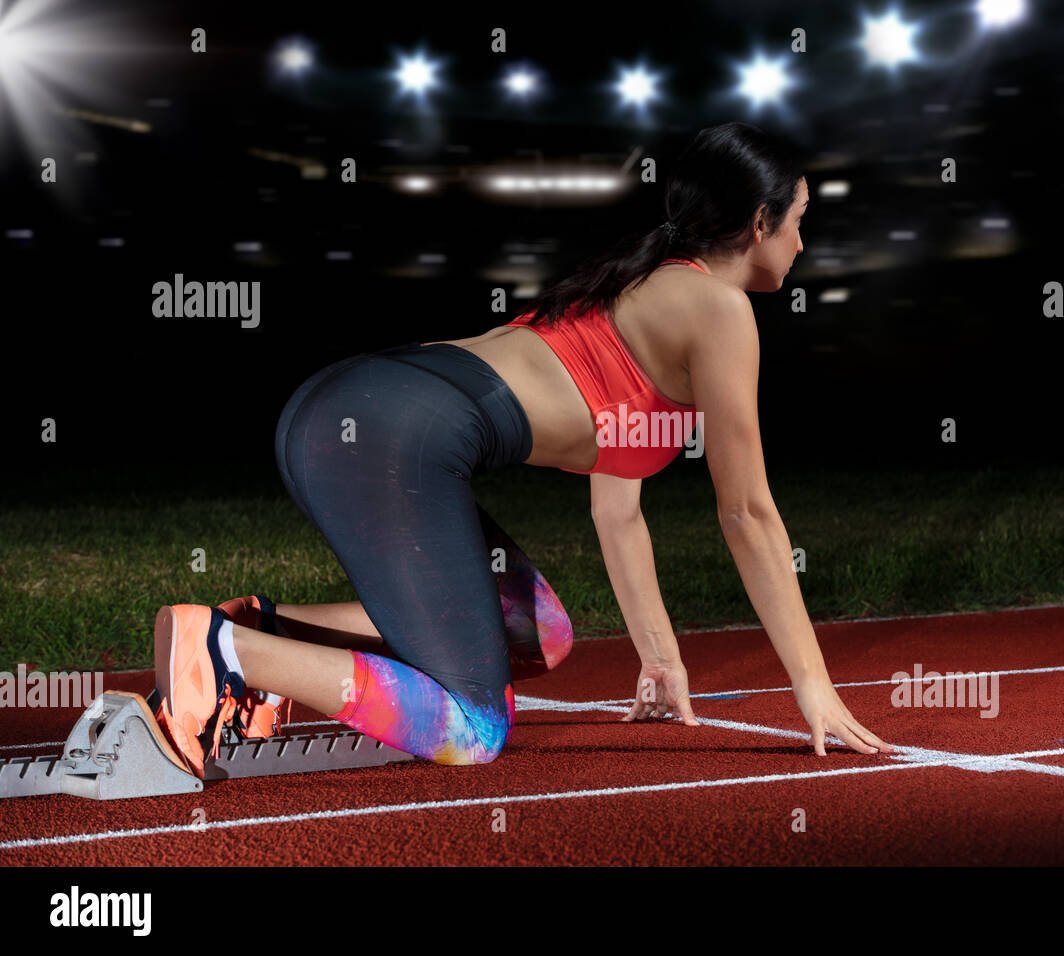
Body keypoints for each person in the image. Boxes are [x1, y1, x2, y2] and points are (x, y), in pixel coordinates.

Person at [152, 121, 897, 779]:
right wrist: (814, 684)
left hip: (347, 406)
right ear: (761, 221)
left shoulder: (643, 285)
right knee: (472, 728)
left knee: (536, 629)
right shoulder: (719, 308)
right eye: (801, 221)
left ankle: (262, 632)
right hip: (390, 431)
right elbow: (747, 513)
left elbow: (619, 515)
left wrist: (662, 656)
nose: (803, 243)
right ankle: (223, 652)